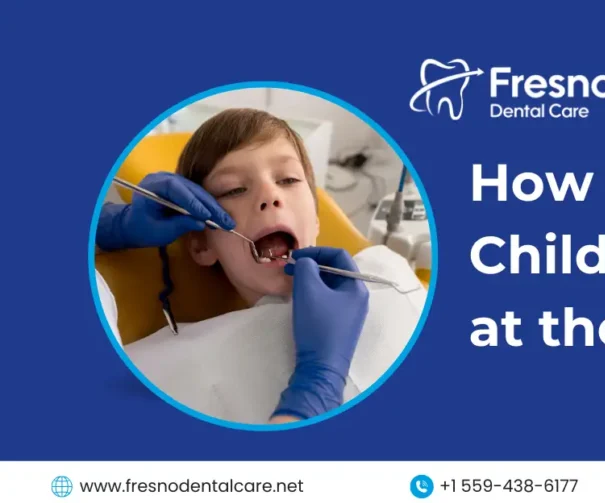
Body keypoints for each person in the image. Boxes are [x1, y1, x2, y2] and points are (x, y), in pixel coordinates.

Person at [94, 108, 426, 424]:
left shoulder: (388, 272)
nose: (270, 195)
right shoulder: (164, 367)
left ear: (315, 218)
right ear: (201, 245)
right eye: (234, 189)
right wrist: (317, 388)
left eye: (289, 179)